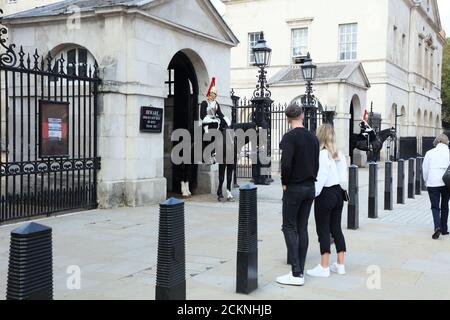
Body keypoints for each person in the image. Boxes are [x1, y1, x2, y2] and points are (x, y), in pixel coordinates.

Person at [276, 103, 320, 286]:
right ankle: (299, 270)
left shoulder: (289, 137)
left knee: (289, 227)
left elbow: (285, 165)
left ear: (287, 119)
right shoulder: (312, 138)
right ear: (302, 116)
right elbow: (316, 163)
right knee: (302, 228)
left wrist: (284, 183)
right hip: (310, 186)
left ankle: (296, 273)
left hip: (294, 187)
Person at [306, 124, 348, 278]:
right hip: (338, 193)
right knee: (336, 228)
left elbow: (321, 178)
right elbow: (344, 177)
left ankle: (324, 266)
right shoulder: (339, 154)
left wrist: (312, 195)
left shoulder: (323, 154)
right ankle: (340, 264)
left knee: (323, 229)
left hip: (326, 194)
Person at [200, 77, 234, 202]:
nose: (213, 96)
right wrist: (212, 119)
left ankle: (218, 151)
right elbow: (202, 116)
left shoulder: (216, 103)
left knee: (223, 133)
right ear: (208, 94)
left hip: (216, 123)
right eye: (212, 94)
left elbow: (220, 114)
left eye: (215, 94)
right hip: (207, 124)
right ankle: (211, 153)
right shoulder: (205, 103)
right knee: (213, 133)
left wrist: (226, 119)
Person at [422, 133, 450, 240]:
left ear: (437, 142)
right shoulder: (449, 152)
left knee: (435, 207)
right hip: (446, 183)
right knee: (445, 206)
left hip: (433, 183)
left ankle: (437, 226)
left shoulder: (429, 153)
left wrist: (426, 181)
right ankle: (444, 228)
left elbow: (425, 169)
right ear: (446, 142)